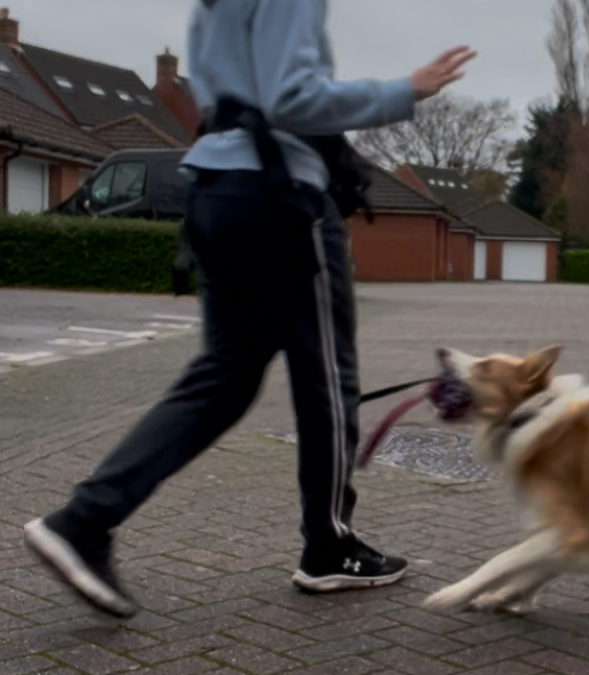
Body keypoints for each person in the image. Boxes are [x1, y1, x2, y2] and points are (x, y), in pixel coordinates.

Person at [23, 0, 476, 618]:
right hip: (279, 198)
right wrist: (403, 90)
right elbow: (291, 99)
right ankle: (329, 545)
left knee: (225, 379)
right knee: (326, 379)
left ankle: (84, 519)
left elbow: (233, 96)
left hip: (216, 192)